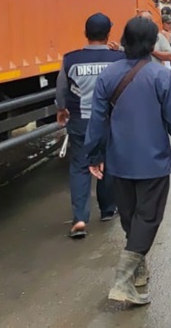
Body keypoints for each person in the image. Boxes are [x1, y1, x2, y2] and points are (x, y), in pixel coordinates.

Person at [84, 16, 171, 305]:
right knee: (149, 217)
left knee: (130, 216)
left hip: (118, 160)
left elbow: (97, 119)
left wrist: (93, 154)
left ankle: (138, 271)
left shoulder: (108, 75)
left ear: (124, 39)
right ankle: (122, 280)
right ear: (150, 43)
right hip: (152, 160)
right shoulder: (160, 75)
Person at [55, 13, 126, 238]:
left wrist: (61, 110)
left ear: (86, 34)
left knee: (79, 166)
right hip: (108, 122)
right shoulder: (117, 59)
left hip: (80, 122)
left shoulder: (70, 59)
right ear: (108, 35)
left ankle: (79, 220)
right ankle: (107, 210)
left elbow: (61, 91)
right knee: (107, 162)